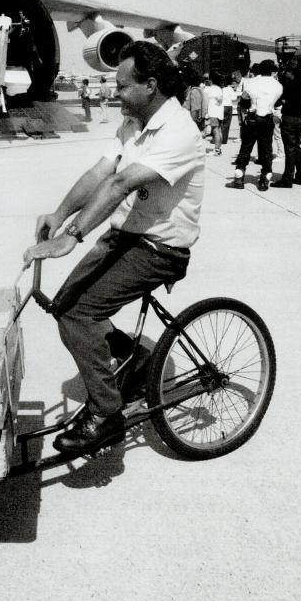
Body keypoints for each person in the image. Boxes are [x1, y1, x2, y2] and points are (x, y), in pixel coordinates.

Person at [23, 41, 204, 455]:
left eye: (122, 86)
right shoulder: (133, 123)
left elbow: (122, 183)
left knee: (79, 316)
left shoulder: (178, 131)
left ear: (150, 85)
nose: (114, 93)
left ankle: (107, 414)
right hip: (125, 236)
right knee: (66, 304)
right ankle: (139, 365)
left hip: (159, 247)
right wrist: (58, 215)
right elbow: (100, 173)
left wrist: (71, 236)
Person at [228, 60, 283, 191]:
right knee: (266, 150)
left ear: (259, 70)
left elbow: (245, 102)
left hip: (252, 118)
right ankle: (265, 178)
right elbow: (277, 104)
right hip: (268, 119)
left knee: (246, 149)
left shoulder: (251, 83)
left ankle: (239, 178)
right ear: (272, 70)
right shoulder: (278, 85)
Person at [271, 55, 301, 188]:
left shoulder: (289, 85)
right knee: (297, 147)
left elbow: (278, 101)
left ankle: (287, 178)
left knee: (290, 149)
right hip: (300, 118)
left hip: (290, 118)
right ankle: (300, 176)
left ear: (290, 71)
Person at [202, 73, 224, 155]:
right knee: (219, 130)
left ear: (211, 80)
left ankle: (216, 150)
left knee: (215, 131)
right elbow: (220, 99)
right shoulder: (219, 89)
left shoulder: (209, 89)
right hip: (220, 112)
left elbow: (204, 98)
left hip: (213, 112)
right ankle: (219, 148)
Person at [221, 77, 235, 144]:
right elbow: (234, 98)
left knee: (221, 123)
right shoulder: (230, 89)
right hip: (229, 106)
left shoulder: (221, 89)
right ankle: (224, 139)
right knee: (227, 124)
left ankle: (219, 138)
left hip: (222, 106)